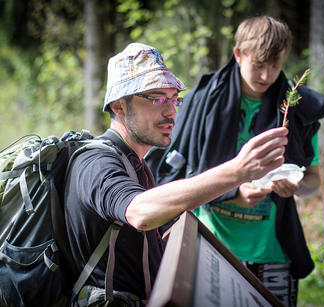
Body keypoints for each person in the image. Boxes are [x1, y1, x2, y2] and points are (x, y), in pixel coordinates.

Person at [63, 42, 289, 306]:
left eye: (174, 99)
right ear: (119, 106)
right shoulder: (96, 162)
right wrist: (238, 171)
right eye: (157, 98)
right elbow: (140, 212)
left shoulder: (134, 162)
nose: (171, 111)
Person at [146, 16, 324, 306]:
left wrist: (296, 187)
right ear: (238, 54)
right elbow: (173, 177)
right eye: (258, 64)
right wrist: (234, 192)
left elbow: (313, 182)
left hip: (273, 251)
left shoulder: (298, 110)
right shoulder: (200, 102)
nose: (266, 76)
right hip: (212, 244)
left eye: (275, 65)